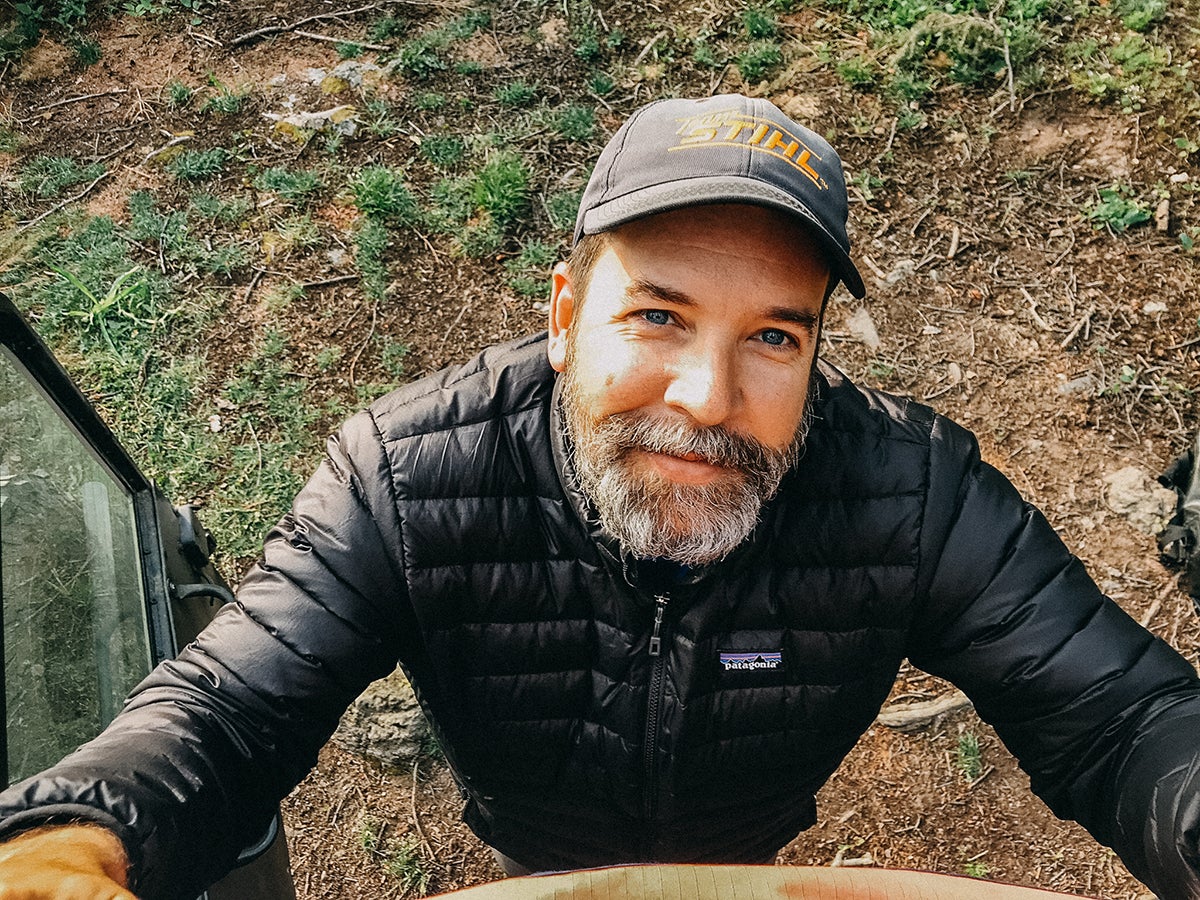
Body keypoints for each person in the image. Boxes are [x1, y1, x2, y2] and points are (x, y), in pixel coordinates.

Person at [1, 93, 1199, 900]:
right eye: (658, 314)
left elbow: (1120, 720)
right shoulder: (407, 475)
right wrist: (64, 843)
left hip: (750, 851)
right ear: (567, 311)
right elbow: (224, 710)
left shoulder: (916, 491)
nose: (708, 394)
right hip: (530, 848)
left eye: (774, 337)